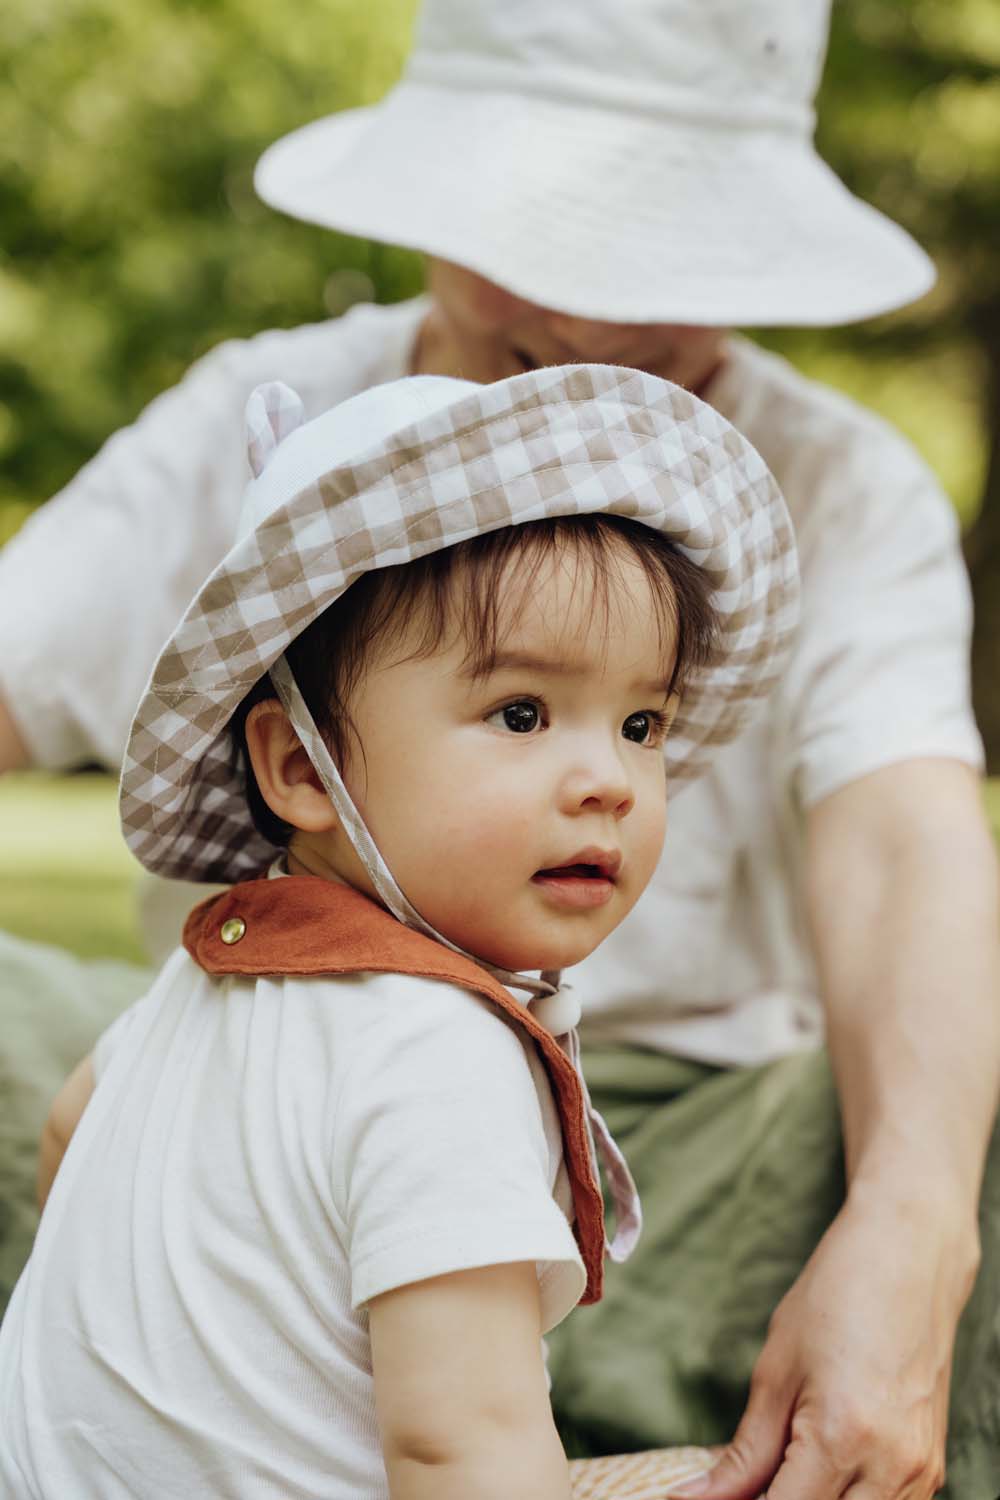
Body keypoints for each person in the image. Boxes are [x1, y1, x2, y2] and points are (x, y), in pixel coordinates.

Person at [1, 0, 998, 1496]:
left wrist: (915, 1224)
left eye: (645, 723)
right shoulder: (262, 412)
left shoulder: (845, 483)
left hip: (702, 1140)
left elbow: (907, 838)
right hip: (253, 1060)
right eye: (521, 710)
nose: (589, 324)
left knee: (964, 1113)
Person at [0, 364, 797, 1498]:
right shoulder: (438, 1051)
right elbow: (460, 1448)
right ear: (298, 766)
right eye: (521, 713)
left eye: (640, 723)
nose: (610, 781)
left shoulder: (214, 974)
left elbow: (69, 1131)